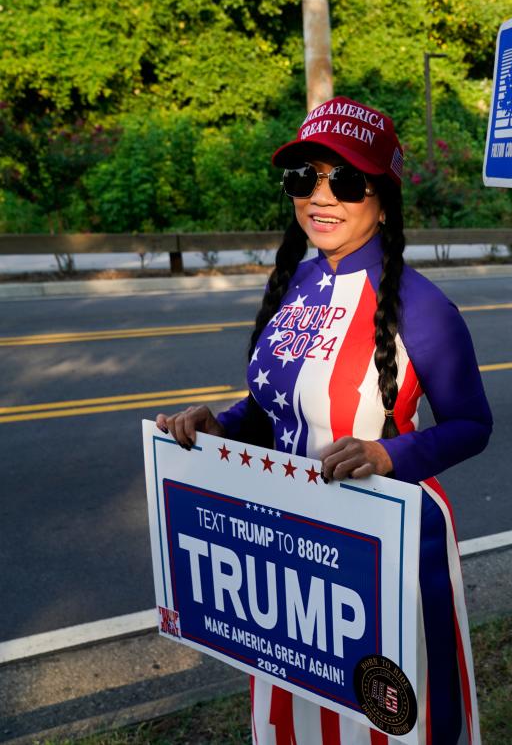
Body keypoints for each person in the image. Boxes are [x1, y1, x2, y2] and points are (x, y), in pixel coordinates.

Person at [155, 96, 492, 744]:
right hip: (289, 547)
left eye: (346, 180)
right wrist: (221, 424)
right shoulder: (292, 285)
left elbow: (472, 424)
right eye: (303, 177)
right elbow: (271, 407)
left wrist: (390, 455)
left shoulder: (422, 306)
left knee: (393, 720)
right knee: (298, 711)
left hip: (388, 544)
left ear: (383, 197)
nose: (321, 195)